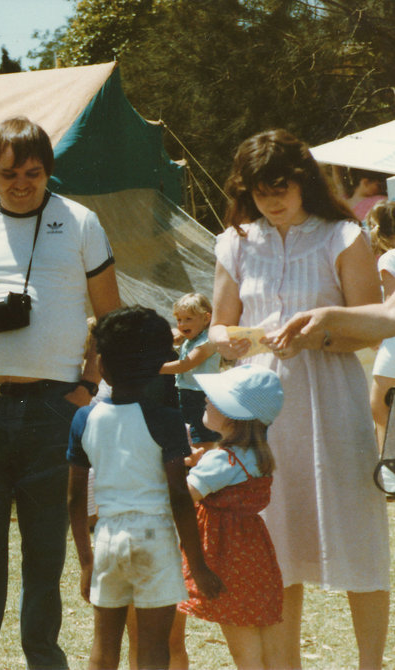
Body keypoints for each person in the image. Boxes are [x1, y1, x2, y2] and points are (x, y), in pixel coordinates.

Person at [0, 116, 120, 669]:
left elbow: (113, 318)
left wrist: (87, 386)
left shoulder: (81, 223)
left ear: (47, 171)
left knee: (45, 552)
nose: (20, 183)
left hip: (53, 412)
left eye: (33, 172)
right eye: (8, 173)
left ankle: (43, 659)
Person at [208, 129, 390, 669]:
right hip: (261, 410)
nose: (271, 199)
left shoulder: (341, 236)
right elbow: (219, 327)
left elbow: (372, 328)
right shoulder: (235, 242)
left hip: (331, 399)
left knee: (356, 533)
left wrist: (321, 334)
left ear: (304, 180)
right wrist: (232, 340)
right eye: (260, 191)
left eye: (280, 186)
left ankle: (370, 663)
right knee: (274, 542)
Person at [67, 306, 222, 670]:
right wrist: (197, 565)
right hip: (155, 540)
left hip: (106, 539)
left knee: (104, 649)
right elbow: (179, 497)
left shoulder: (84, 418)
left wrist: (86, 561)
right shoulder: (167, 420)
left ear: (101, 365)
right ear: (158, 366)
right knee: (153, 650)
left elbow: (75, 499)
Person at [179, 365, 285, 669]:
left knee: (242, 644)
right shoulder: (255, 454)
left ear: (235, 416)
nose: (207, 401)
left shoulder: (221, 459)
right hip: (252, 554)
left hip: (224, 556)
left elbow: (185, 495)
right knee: (256, 629)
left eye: (215, 400)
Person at [160, 292, 222, 464]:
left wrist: (155, 369)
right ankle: (197, 467)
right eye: (179, 320)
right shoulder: (192, 339)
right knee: (191, 436)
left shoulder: (207, 341)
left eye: (188, 319)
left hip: (202, 396)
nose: (182, 324)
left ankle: (208, 468)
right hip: (188, 394)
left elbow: (185, 365)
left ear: (206, 318)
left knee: (203, 438)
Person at [367, 202, 395, 446]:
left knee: (380, 409)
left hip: (393, 346)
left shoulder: (389, 258)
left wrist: (373, 336)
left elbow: (390, 307)